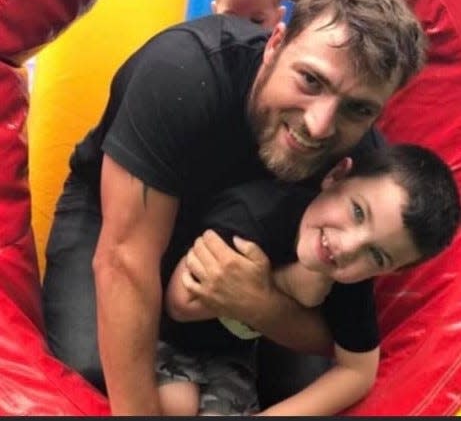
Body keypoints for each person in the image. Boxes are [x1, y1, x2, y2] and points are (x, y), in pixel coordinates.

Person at [42, 0, 426, 415]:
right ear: (275, 44)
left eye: (358, 109)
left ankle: (217, 352)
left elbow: (344, 341)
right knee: (91, 371)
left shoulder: (354, 172)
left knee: (303, 384)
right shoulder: (185, 73)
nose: (320, 125)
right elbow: (125, 258)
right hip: (118, 215)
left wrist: (261, 302)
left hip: (245, 266)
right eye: (310, 80)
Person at [158, 143, 460, 415]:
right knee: (178, 406)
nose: (348, 248)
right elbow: (180, 303)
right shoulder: (258, 214)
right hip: (165, 332)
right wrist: (283, 284)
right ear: (337, 177)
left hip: (230, 354)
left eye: (377, 255)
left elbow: (358, 372)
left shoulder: (352, 277)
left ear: (391, 271)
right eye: (357, 211)